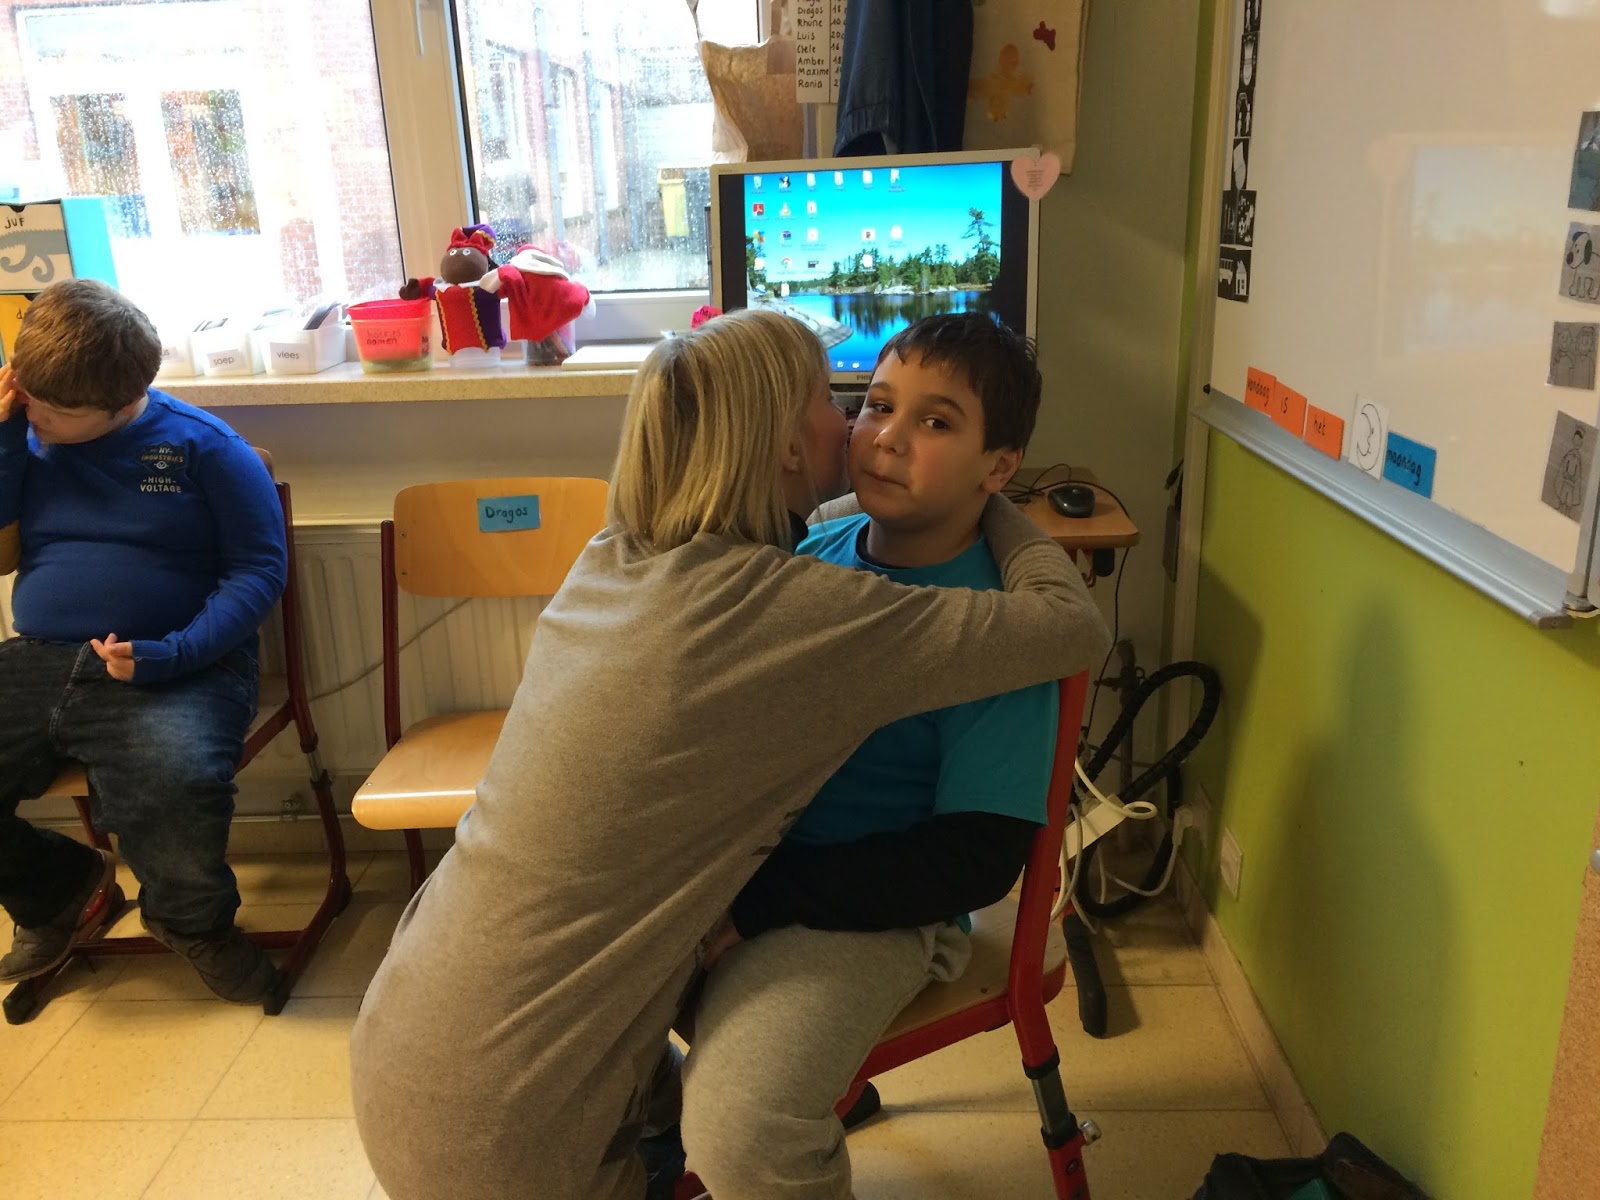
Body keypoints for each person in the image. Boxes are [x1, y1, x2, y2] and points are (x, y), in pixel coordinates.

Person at [349, 307, 1109, 1200]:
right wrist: (993, 503)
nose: (868, 433)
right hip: (504, 1137)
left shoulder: (618, 553)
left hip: (407, 1035)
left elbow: (979, 847)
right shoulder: (795, 595)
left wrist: (981, 501)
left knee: (732, 1111)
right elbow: (1065, 622)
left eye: (933, 421)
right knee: (721, 1106)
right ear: (787, 446)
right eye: (854, 403)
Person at [674, 312, 1082, 1200]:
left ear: (999, 468)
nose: (888, 438)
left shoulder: (1001, 629)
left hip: (873, 915)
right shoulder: (807, 550)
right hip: (745, 875)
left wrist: (761, 903)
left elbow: (972, 860)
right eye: (877, 405)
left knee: (743, 1125)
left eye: (936, 422)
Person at [0, 279, 287, 1003]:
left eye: (54, 409)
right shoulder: (22, 432)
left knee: (175, 781)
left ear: (121, 401)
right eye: (26, 393)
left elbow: (258, 571)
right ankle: (58, 890)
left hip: (174, 661)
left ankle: (194, 925)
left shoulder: (205, 447)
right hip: (39, 659)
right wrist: (5, 441)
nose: (33, 413)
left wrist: (176, 653)